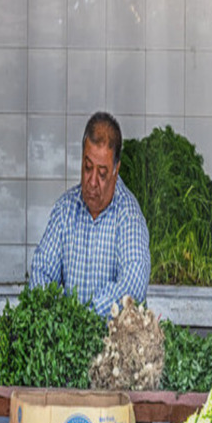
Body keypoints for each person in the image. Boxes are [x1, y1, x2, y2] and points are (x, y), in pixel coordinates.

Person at [29, 111, 150, 317]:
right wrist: (55, 314)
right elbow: (42, 270)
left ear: (116, 169)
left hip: (113, 346)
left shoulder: (129, 216)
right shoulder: (65, 210)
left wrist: (84, 319)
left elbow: (133, 284)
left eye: (102, 173)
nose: (92, 181)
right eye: (87, 168)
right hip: (66, 340)